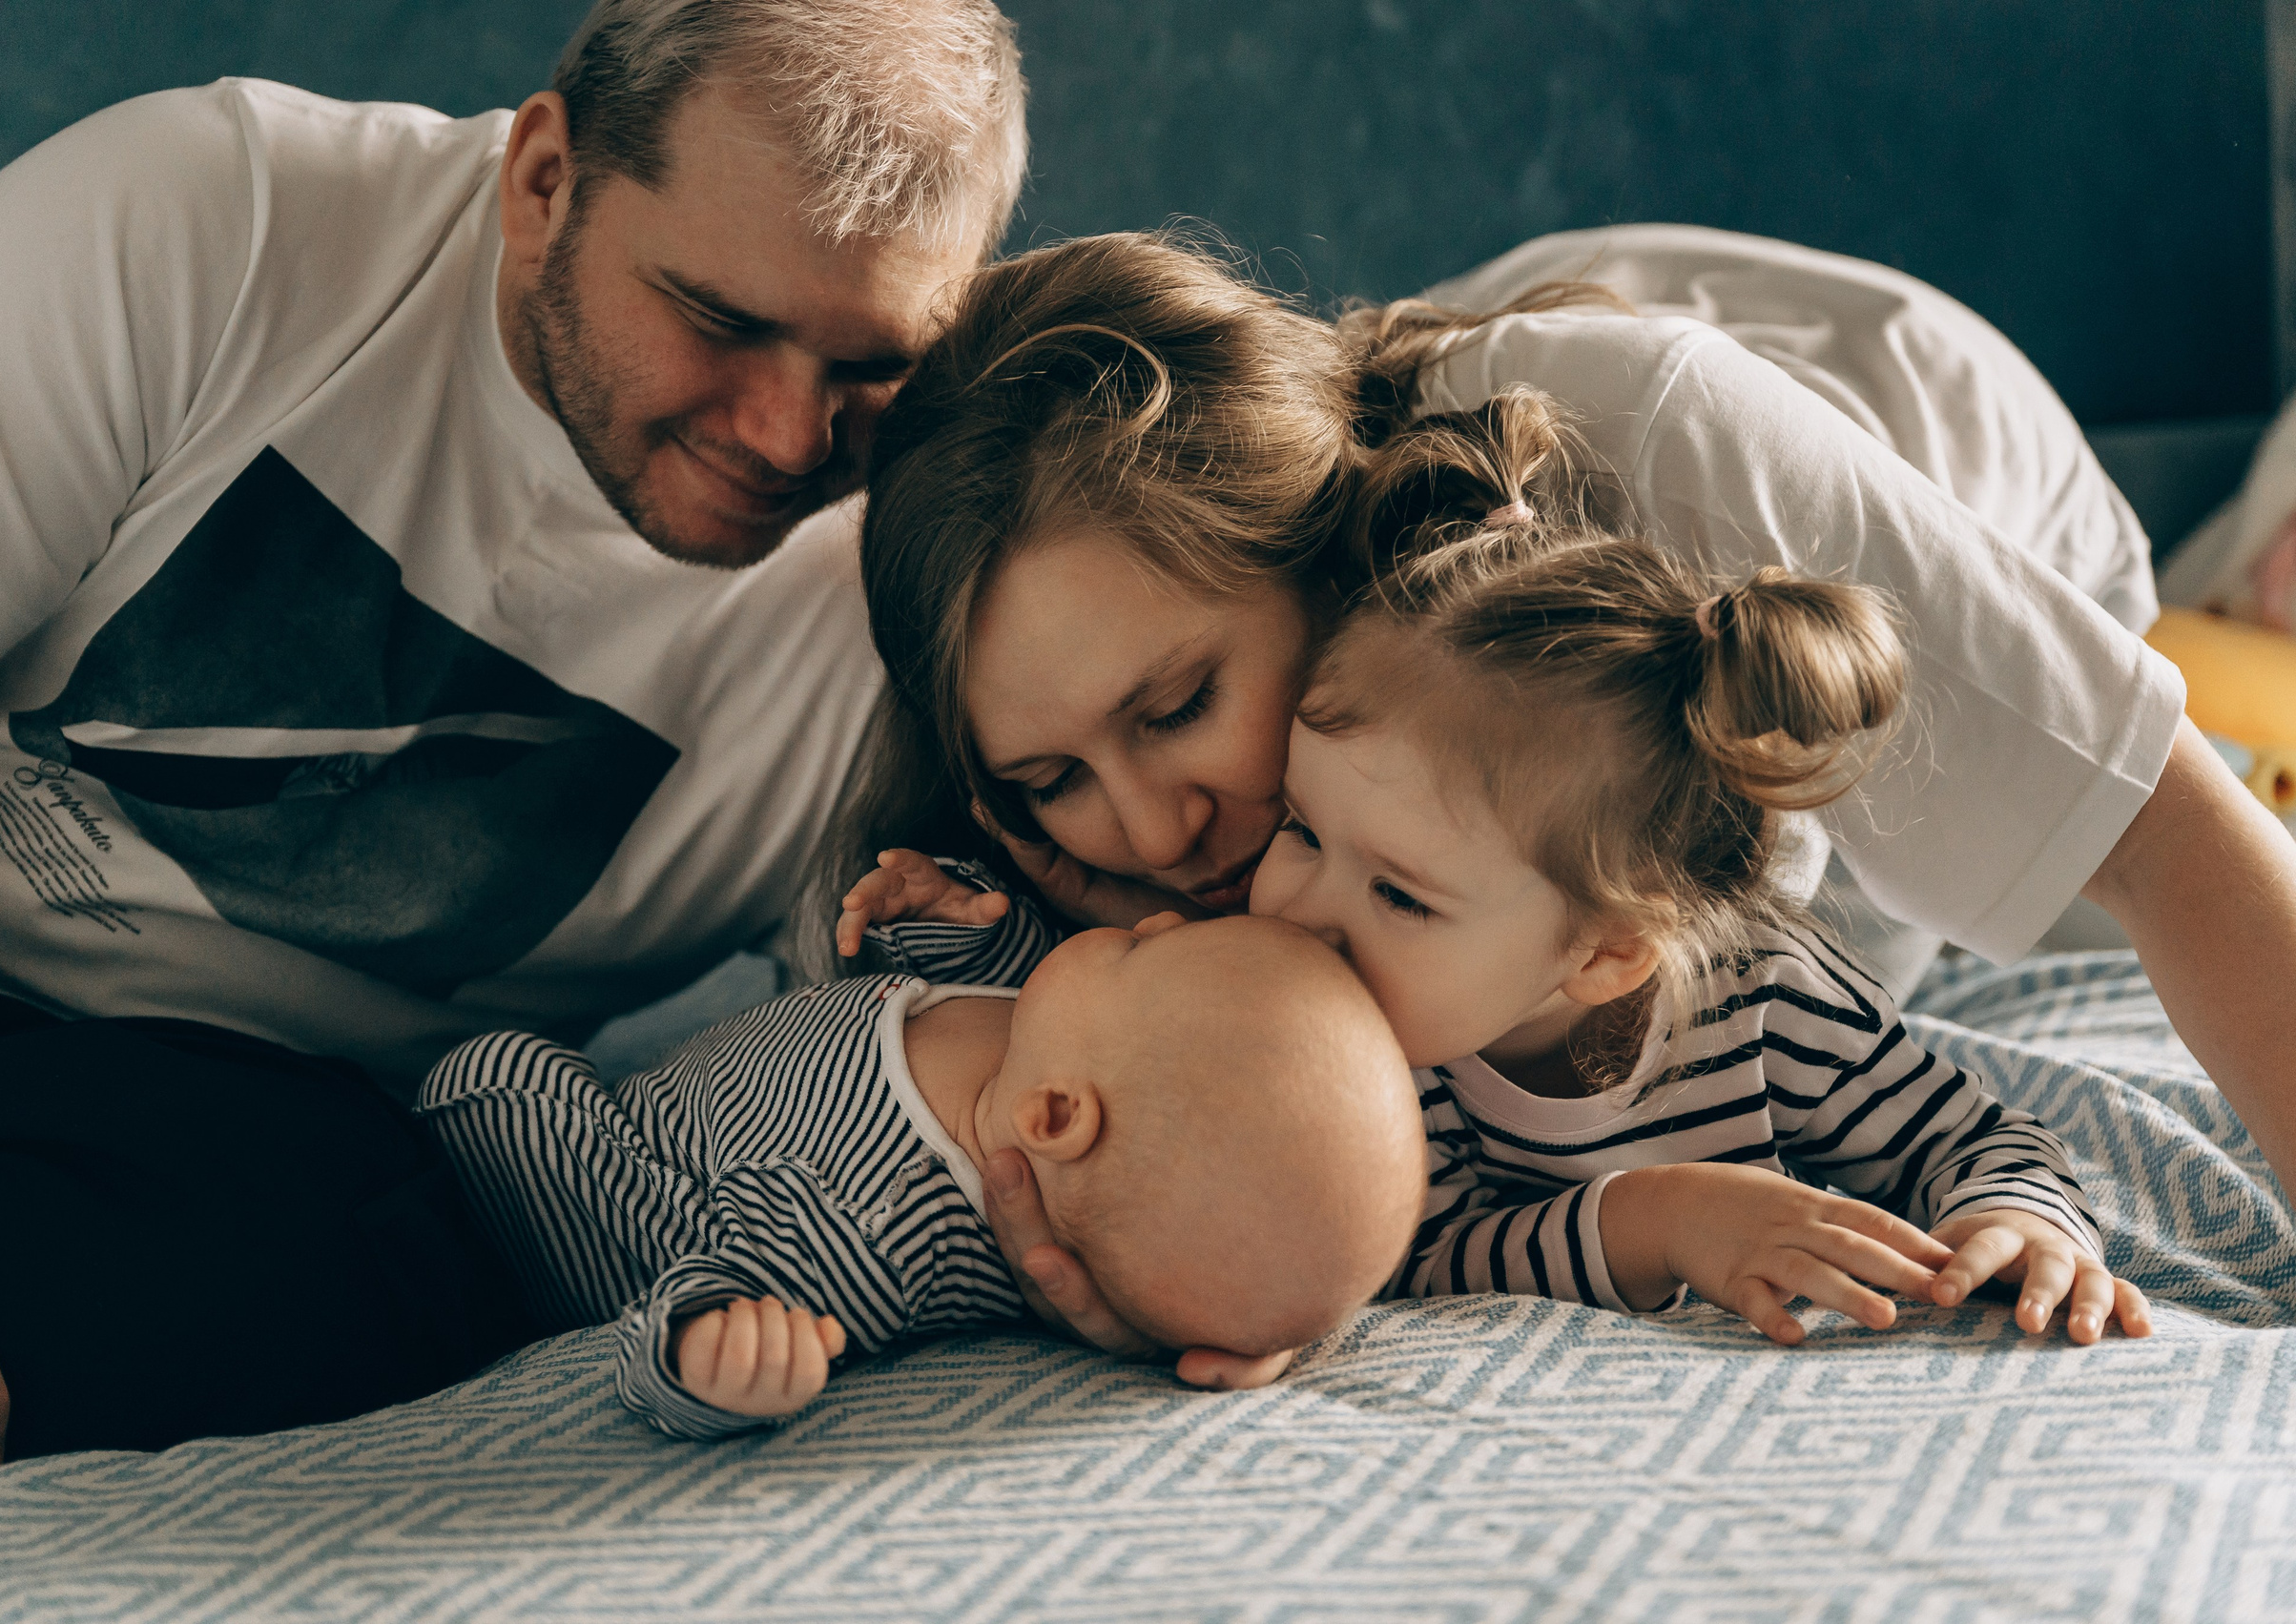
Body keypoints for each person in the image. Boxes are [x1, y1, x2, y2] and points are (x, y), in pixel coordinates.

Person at [0, 0, 1026, 1473]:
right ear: (545, 180)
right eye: (722, 322)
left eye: (870, 365)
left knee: (380, 1260)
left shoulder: (903, 607)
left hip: (198, 1137)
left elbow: (890, 1081)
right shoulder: (207, 220)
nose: (792, 438)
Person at [846, 227, 2296, 1371]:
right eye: (1050, 781)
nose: (1157, 836)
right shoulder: (1141, 825)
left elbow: (2168, 844)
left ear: (1307, 551)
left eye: (1176, 710)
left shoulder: (1649, 440)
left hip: (1939, 468)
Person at [1255, 397, 2146, 1345]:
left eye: (1398, 892)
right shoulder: (1366, 1036)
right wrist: (1659, 1221)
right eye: (1300, 828)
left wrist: (2015, 1223)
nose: (1293, 907)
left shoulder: (1766, 999)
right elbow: (1405, 1257)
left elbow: (1966, 1137)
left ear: (1607, 949)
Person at [417, 896, 1425, 1436]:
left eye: (1140, 952)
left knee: (494, 1070)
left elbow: (708, 1291)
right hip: (678, 1089)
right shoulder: (1041, 1042)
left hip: (618, 1182)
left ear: (1059, 1114)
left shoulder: (877, 1227)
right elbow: (987, 974)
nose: (1157, 918)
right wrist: (938, 911)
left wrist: (709, 1356)